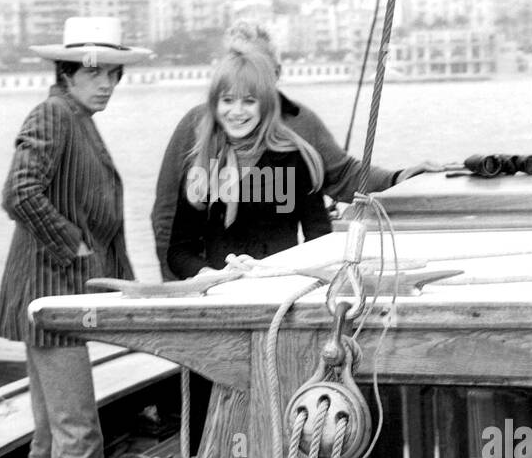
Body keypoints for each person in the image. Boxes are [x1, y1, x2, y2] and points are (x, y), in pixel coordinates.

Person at [0, 15, 151, 458]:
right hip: (51, 300)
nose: (107, 83)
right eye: (95, 72)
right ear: (67, 71)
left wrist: (128, 293)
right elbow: (19, 192)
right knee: (80, 439)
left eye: (114, 73)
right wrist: (73, 245)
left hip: (55, 300)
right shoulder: (54, 114)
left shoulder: (78, 119)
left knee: (51, 441)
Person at [152, 22, 440, 278]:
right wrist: (184, 283)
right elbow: (169, 220)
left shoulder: (301, 129)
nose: (237, 110)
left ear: (275, 73)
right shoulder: (196, 129)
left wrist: (398, 179)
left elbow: (344, 175)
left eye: (258, 69)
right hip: (211, 280)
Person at [166, 48, 333, 279]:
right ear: (215, 105)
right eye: (227, 100)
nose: (237, 111)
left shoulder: (296, 160)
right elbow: (179, 251)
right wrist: (207, 274)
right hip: (220, 291)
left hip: (279, 288)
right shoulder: (202, 166)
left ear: (266, 105)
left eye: (249, 101)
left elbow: (319, 239)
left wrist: (279, 271)